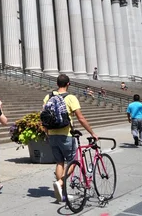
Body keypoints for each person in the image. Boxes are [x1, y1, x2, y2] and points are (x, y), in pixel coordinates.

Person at [44, 74, 98, 203]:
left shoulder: (48, 97)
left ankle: (62, 194)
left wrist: (46, 132)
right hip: (66, 134)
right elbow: (80, 118)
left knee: (59, 163)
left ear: (57, 84)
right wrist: (92, 133)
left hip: (52, 134)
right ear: (68, 84)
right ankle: (60, 182)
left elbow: (44, 116)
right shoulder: (70, 97)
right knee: (73, 161)